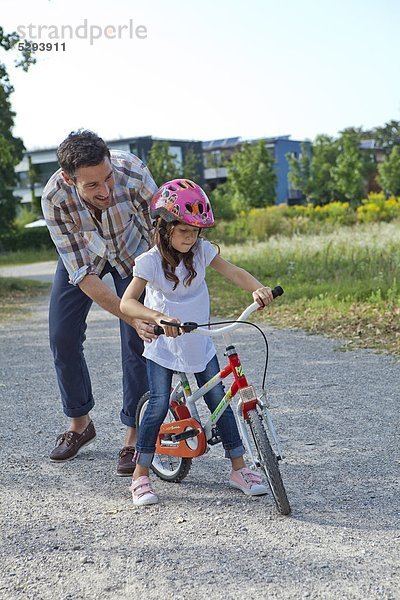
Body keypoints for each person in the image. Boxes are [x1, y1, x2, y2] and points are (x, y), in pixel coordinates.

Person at [120, 179, 274, 507]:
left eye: (196, 232)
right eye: (184, 231)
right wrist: (159, 318)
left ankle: (239, 469)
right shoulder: (149, 261)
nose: (191, 238)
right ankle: (141, 475)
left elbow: (233, 271)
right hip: (164, 344)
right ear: (164, 228)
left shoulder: (202, 252)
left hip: (199, 342)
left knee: (220, 399)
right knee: (159, 404)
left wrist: (257, 288)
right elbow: (127, 303)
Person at [41, 129, 158, 475]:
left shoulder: (133, 172)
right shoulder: (54, 198)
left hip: (133, 252)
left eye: (107, 178)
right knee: (61, 335)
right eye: (92, 185)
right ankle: (80, 424)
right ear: (68, 178)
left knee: (139, 337)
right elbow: (84, 275)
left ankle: (134, 436)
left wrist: (146, 309)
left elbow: (163, 230)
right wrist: (127, 313)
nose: (105, 191)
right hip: (85, 261)